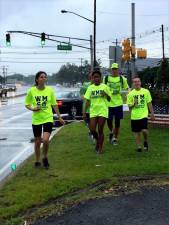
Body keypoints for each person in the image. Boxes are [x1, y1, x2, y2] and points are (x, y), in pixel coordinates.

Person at [25, 71, 64, 169]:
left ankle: (45, 157)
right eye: (41, 77)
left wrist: (59, 116)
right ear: (37, 79)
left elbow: (54, 104)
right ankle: (37, 160)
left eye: (45, 77)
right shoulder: (31, 91)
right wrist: (33, 109)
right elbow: (27, 104)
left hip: (48, 117)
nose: (43, 79)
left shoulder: (49, 90)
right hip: (37, 119)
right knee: (38, 141)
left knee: (46, 140)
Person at [83, 70, 111, 154]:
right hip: (93, 111)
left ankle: (100, 148)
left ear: (100, 78)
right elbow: (87, 101)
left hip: (103, 110)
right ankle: (98, 141)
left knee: (100, 129)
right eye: (94, 77)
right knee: (92, 130)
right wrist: (84, 112)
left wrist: (105, 94)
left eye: (97, 77)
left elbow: (109, 99)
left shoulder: (105, 87)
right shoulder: (90, 88)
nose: (96, 78)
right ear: (92, 78)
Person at [103, 62, 129, 145]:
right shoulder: (106, 78)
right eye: (113, 69)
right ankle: (112, 132)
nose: (114, 71)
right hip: (108, 103)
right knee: (109, 121)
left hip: (118, 103)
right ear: (111, 70)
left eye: (116, 69)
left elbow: (127, 88)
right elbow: (103, 88)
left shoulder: (122, 79)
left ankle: (115, 138)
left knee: (117, 122)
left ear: (118, 70)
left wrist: (129, 95)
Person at [127, 77, 155, 152]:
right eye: (135, 82)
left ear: (140, 82)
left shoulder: (146, 91)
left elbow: (149, 103)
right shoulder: (131, 94)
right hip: (134, 116)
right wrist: (134, 104)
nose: (136, 83)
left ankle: (145, 141)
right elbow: (129, 107)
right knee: (136, 132)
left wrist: (152, 113)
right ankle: (139, 147)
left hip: (143, 115)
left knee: (144, 131)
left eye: (138, 81)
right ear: (133, 84)